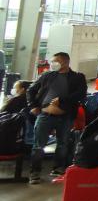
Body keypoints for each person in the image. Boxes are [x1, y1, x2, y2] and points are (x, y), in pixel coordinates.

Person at [27, 52, 87, 184]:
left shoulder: (77, 77)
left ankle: (58, 168)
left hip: (65, 116)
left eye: (56, 61)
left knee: (63, 144)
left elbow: (81, 94)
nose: (52, 63)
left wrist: (62, 100)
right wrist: (33, 105)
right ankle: (35, 172)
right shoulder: (47, 76)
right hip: (45, 115)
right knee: (38, 145)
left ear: (65, 62)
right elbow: (31, 90)